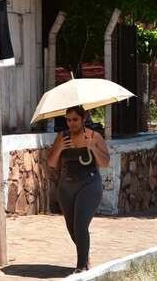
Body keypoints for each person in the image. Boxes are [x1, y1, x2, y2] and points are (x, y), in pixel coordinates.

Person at [48, 106, 110, 273]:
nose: (71, 123)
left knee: (81, 224)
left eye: (75, 119)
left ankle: (82, 266)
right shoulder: (62, 137)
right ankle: (85, 257)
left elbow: (105, 163)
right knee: (72, 228)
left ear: (83, 119)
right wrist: (60, 148)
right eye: (68, 120)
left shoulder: (94, 136)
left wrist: (93, 148)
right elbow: (52, 163)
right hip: (66, 187)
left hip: (89, 185)